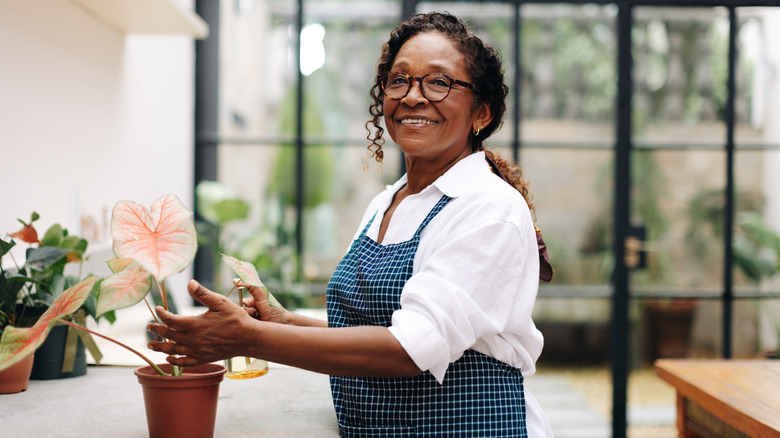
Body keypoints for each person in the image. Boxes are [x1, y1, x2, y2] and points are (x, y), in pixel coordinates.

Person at [149, 11, 553, 437]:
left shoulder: (489, 209)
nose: (413, 96)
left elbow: (408, 349)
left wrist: (246, 339)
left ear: (481, 113)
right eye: (399, 80)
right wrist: (281, 322)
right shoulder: (388, 201)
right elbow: (378, 329)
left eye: (439, 82)